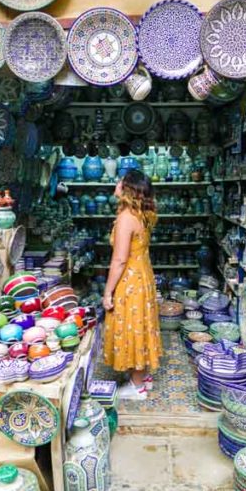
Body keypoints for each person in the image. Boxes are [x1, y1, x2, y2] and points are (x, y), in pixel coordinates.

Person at [103, 169, 161, 400]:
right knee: (141, 326)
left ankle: (137, 388)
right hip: (143, 276)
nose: (116, 183)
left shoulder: (127, 217)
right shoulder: (143, 214)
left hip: (130, 280)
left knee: (131, 328)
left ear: (127, 189)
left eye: (120, 181)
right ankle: (142, 377)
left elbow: (119, 260)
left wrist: (108, 292)